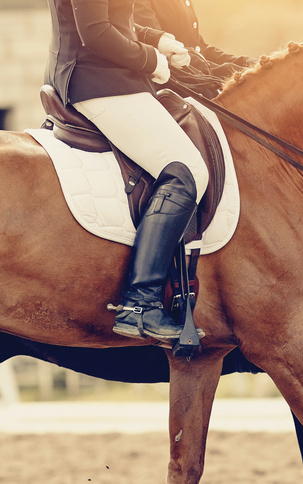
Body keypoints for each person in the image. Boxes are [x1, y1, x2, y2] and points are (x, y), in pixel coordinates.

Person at [45, 0, 209, 343]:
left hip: (109, 77)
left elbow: (114, 19)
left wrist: (158, 40)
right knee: (187, 170)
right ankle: (141, 303)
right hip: (98, 80)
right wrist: (150, 60)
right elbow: (95, 33)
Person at [135, 0, 254, 98]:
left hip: (199, 77)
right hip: (176, 85)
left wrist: (248, 63)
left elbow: (200, 48)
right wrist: (232, 71)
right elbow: (158, 49)